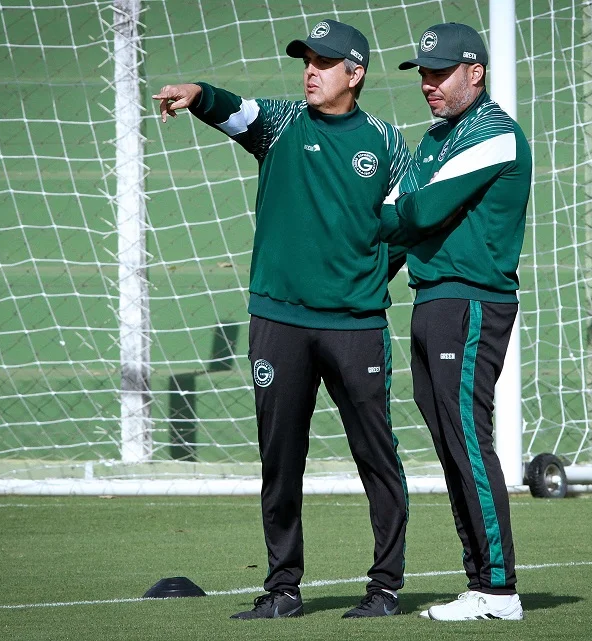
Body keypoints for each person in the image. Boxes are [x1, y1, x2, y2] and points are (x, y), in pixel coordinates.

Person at [152, 20, 411, 620]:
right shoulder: (283, 124)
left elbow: (401, 230)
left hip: (355, 325)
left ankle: (385, 587)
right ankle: (282, 588)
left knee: (375, 453)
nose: (310, 72)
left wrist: (365, 281)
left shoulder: (387, 143)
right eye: (306, 61)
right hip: (278, 322)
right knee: (280, 455)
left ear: (356, 74)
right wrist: (197, 94)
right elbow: (234, 110)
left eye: (324, 63)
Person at [380, 22, 532, 621]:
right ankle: (481, 584)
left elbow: (415, 208)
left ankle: (499, 590)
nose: (427, 83)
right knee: (450, 442)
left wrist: (400, 210)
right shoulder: (437, 137)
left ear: (476, 72)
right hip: (436, 297)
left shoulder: (494, 134)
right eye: (422, 72)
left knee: (467, 439)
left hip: (471, 301)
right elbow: (403, 216)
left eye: (440, 72)